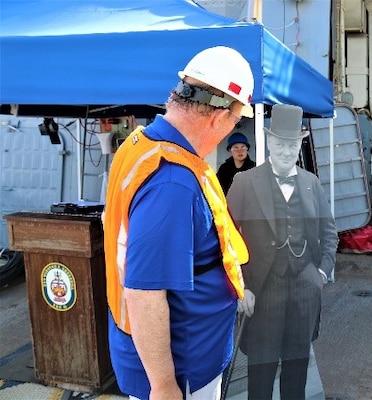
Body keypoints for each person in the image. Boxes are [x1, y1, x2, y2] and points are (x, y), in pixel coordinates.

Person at [102, 46, 254, 400]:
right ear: (219, 119)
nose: (231, 131)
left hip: (181, 355)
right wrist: (164, 386)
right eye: (235, 121)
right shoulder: (172, 182)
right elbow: (143, 294)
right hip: (183, 367)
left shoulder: (141, 145)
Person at [226, 104, 338, 400]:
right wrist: (241, 288)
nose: (287, 151)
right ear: (269, 142)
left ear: (299, 144)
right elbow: (226, 239)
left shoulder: (312, 183)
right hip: (262, 293)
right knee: (260, 377)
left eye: (292, 144)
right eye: (280, 143)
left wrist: (322, 274)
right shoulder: (244, 182)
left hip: (304, 289)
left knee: (297, 371)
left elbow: (329, 233)